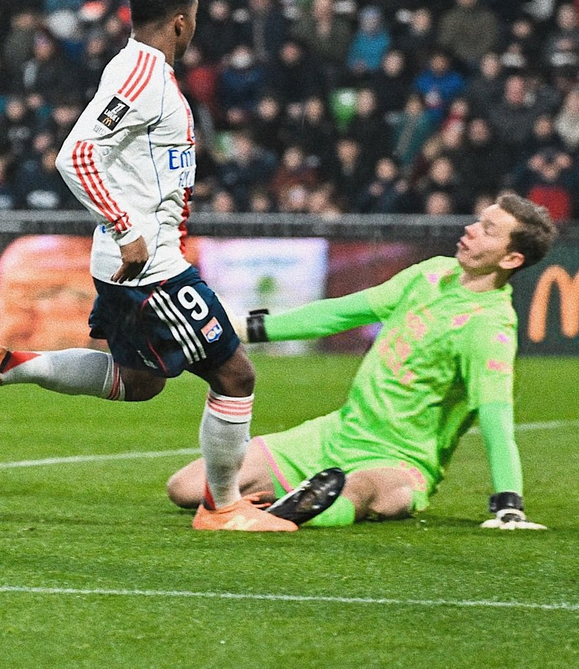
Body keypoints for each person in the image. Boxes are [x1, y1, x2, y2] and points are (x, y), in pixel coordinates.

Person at [0, 0, 331, 533]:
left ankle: (14, 364)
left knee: (141, 381)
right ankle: (222, 508)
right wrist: (124, 226)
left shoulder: (139, 69)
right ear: (180, 22)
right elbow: (75, 155)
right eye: (195, 17)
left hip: (137, 261)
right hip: (151, 265)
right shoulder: (142, 76)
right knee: (235, 376)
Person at [168, 194, 558, 530]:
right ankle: (296, 499)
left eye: (488, 230)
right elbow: (339, 313)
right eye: (478, 221)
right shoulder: (432, 273)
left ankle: (290, 511)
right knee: (185, 487)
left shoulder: (489, 327)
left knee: (370, 492)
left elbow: (495, 416)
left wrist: (509, 503)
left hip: (398, 461)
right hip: (336, 434)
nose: (471, 230)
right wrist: (242, 329)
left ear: (512, 258)